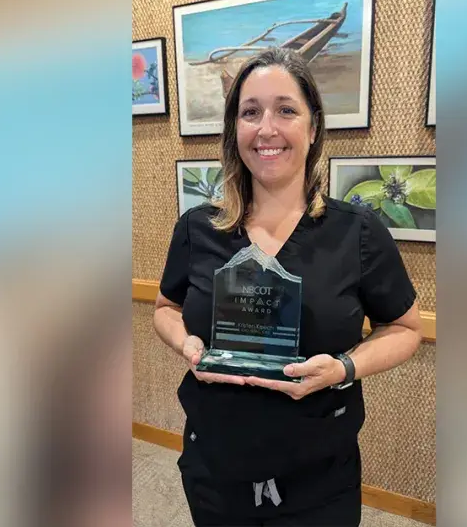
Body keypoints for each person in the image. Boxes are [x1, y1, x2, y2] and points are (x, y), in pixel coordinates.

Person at [154, 47, 423, 526]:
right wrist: (187, 344)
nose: (267, 129)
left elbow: (405, 329)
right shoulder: (197, 228)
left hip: (318, 473)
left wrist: (343, 368)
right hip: (216, 466)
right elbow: (165, 308)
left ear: (313, 127)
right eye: (250, 112)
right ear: (234, 128)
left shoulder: (358, 233)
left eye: (285, 110)